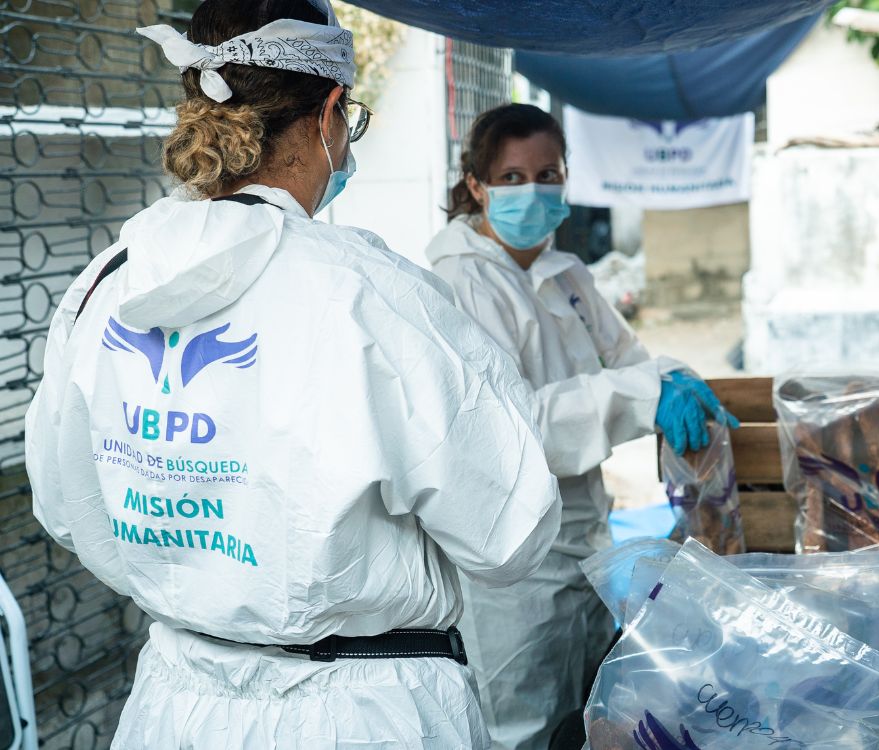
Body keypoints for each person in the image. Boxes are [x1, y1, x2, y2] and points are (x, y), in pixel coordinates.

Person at [25, 2, 562, 748]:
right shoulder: (374, 298)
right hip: (364, 714)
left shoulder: (104, 286)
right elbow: (511, 531)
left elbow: (63, 503)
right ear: (331, 115)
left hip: (174, 706)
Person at [425, 103, 738, 750]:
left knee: (587, 707)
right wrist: (640, 393)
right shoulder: (460, 281)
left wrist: (668, 377)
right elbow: (514, 428)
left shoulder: (563, 271)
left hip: (582, 533)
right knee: (524, 718)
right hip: (511, 552)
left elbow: (627, 360)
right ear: (477, 185)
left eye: (548, 173)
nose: (532, 191)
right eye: (511, 178)